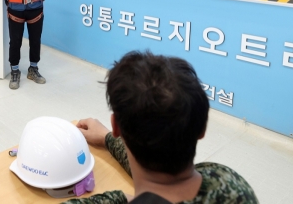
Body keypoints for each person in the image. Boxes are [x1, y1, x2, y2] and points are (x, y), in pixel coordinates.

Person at [66, 51, 258, 204]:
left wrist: (123, 197)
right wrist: (107, 138)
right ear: (202, 129)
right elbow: (158, 178)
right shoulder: (230, 183)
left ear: (116, 126)